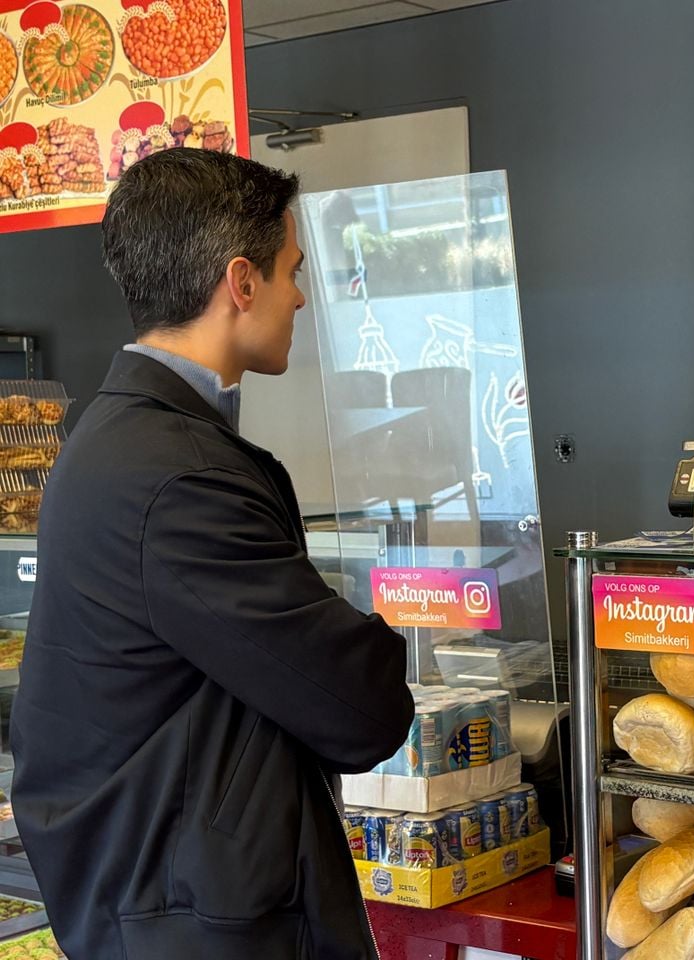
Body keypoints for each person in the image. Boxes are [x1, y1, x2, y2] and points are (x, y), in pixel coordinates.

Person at [11, 149, 414, 960]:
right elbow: (363, 708)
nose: (300, 296)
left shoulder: (117, 438)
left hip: (163, 903)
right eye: (291, 270)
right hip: (198, 922)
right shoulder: (177, 479)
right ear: (242, 282)